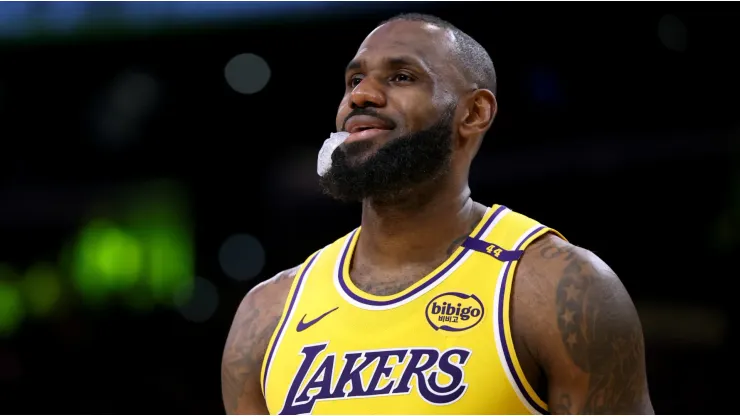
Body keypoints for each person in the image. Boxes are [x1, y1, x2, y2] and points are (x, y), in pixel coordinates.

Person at [221, 13, 654, 415]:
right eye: (354, 79)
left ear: (474, 112)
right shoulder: (268, 312)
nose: (360, 95)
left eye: (401, 77)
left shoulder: (557, 288)